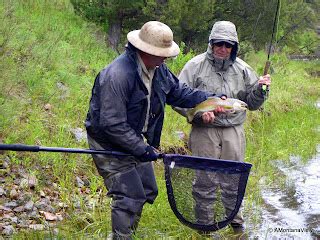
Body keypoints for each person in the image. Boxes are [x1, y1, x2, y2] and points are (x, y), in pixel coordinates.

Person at [84, 21, 220, 239]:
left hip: (133, 137)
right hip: (108, 141)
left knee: (147, 189)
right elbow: (112, 124)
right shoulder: (117, 75)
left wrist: (209, 98)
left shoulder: (158, 68)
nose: (166, 57)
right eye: (161, 53)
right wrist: (142, 148)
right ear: (144, 50)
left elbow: (178, 92)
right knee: (128, 194)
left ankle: (128, 233)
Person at [176, 21, 271, 233]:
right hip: (204, 131)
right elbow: (177, 98)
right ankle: (205, 227)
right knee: (205, 179)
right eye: (219, 43)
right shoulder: (194, 66)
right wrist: (199, 116)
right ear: (211, 43)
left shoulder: (244, 69)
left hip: (233, 132)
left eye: (228, 45)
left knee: (233, 178)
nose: (223, 48)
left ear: (234, 47)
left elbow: (252, 105)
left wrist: (262, 90)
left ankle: (236, 223)